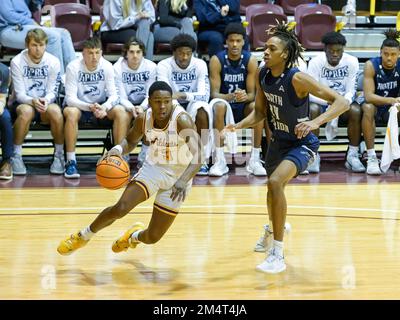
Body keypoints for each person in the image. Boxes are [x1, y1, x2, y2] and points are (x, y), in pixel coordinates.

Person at [224, 23, 349, 273]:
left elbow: (342, 102)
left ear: (284, 54)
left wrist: (315, 122)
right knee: (272, 190)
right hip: (278, 142)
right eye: (265, 47)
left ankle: (277, 254)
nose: (265, 52)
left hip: (303, 143)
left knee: (275, 182)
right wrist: (237, 126)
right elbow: (259, 112)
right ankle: (273, 228)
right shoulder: (262, 73)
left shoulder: (298, 78)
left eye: (272, 48)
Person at [57, 81, 204, 256]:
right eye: (158, 101)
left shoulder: (182, 120)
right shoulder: (144, 119)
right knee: (121, 207)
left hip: (180, 177)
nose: (163, 106)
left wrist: (183, 180)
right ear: (149, 101)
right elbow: (131, 141)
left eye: (167, 101)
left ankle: (131, 237)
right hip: (155, 169)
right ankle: (83, 236)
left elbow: (200, 155)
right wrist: (117, 150)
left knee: (152, 237)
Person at [63, 37, 131, 179]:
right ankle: (70, 161)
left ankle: (119, 158)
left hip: (100, 108)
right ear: (83, 54)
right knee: (70, 112)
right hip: (80, 107)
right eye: (90, 53)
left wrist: (104, 107)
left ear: (101, 53)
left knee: (121, 111)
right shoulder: (73, 67)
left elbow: (114, 96)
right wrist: (88, 106)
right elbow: (70, 99)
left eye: (97, 53)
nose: (94, 57)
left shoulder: (107, 66)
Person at [208, 22, 266, 176]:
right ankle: (219, 161)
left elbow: (253, 95)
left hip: (243, 108)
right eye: (231, 41)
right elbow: (214, 94)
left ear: (243, 42)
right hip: (224, 108)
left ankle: (254, 159)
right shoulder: (216, 60)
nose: (234, 44)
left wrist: (246, 96)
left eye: (238, 41)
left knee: (257, 107)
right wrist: (231, 97)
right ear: (226, 42)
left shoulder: (250, 60)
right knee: (219, 106)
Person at [305, 31, 364, 174]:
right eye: (331, 51)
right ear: (325, 49)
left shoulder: (352, 62)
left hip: (343, 104)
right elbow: (310, 92)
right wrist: (331, 101)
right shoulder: (315, 62)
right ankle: (313, 154)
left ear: (343, 50)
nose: (335, 54)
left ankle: (353, 154)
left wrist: (341, 103)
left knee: (355, 110)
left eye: (339, 51)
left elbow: (351, 90)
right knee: (312, 109)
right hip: (321, 103)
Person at [9, 28, 64, 176]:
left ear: (46, 45)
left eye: (41, 45)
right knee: (26, 112)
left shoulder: (53, 61)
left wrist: (46, 100)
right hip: (24, 103)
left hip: (45, 102)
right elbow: (20, 94)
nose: (38, 49)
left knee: (56, 112)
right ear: (27, 45)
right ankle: (16, 155)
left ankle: (59, 155)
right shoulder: (17, 61)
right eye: (34, 45)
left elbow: (53, 91)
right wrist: (32, 101)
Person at [157, 33, 212, 175]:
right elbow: (165, 96)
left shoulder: (200, 64)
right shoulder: (163, 65)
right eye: (181, 54)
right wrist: (176, 98)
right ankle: (173, 158)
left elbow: (205, 96)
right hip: (173, 103)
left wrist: (183, 95)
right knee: (167, 109)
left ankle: (202, 159)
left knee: (203, 110)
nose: (185, 57)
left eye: (188, 54)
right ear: (174, 52)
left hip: (192, 101)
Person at [361, 29, 400, 175]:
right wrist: (391, 100)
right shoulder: (371, 65)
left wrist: (396, 102)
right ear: (380, 52)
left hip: (392, 109)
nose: (389, 58)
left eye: (393, 54)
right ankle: (371, 157)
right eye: (386, 54)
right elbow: (369, 96)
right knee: (368, 107)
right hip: (376, 106)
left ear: (399, 54)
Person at [0, 0, 76, 75]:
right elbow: (8, 15)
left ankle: (73, 76)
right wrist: (31, 22)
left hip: (26, 26)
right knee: (53, 36)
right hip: (9, 29)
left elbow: (37, 3)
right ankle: (57, 79)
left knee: (63, 33)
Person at [0, 62, 13, 180]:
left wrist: (0, 106)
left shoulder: (3, 70)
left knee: (5, 117)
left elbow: (2, 96)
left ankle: (6, 162)